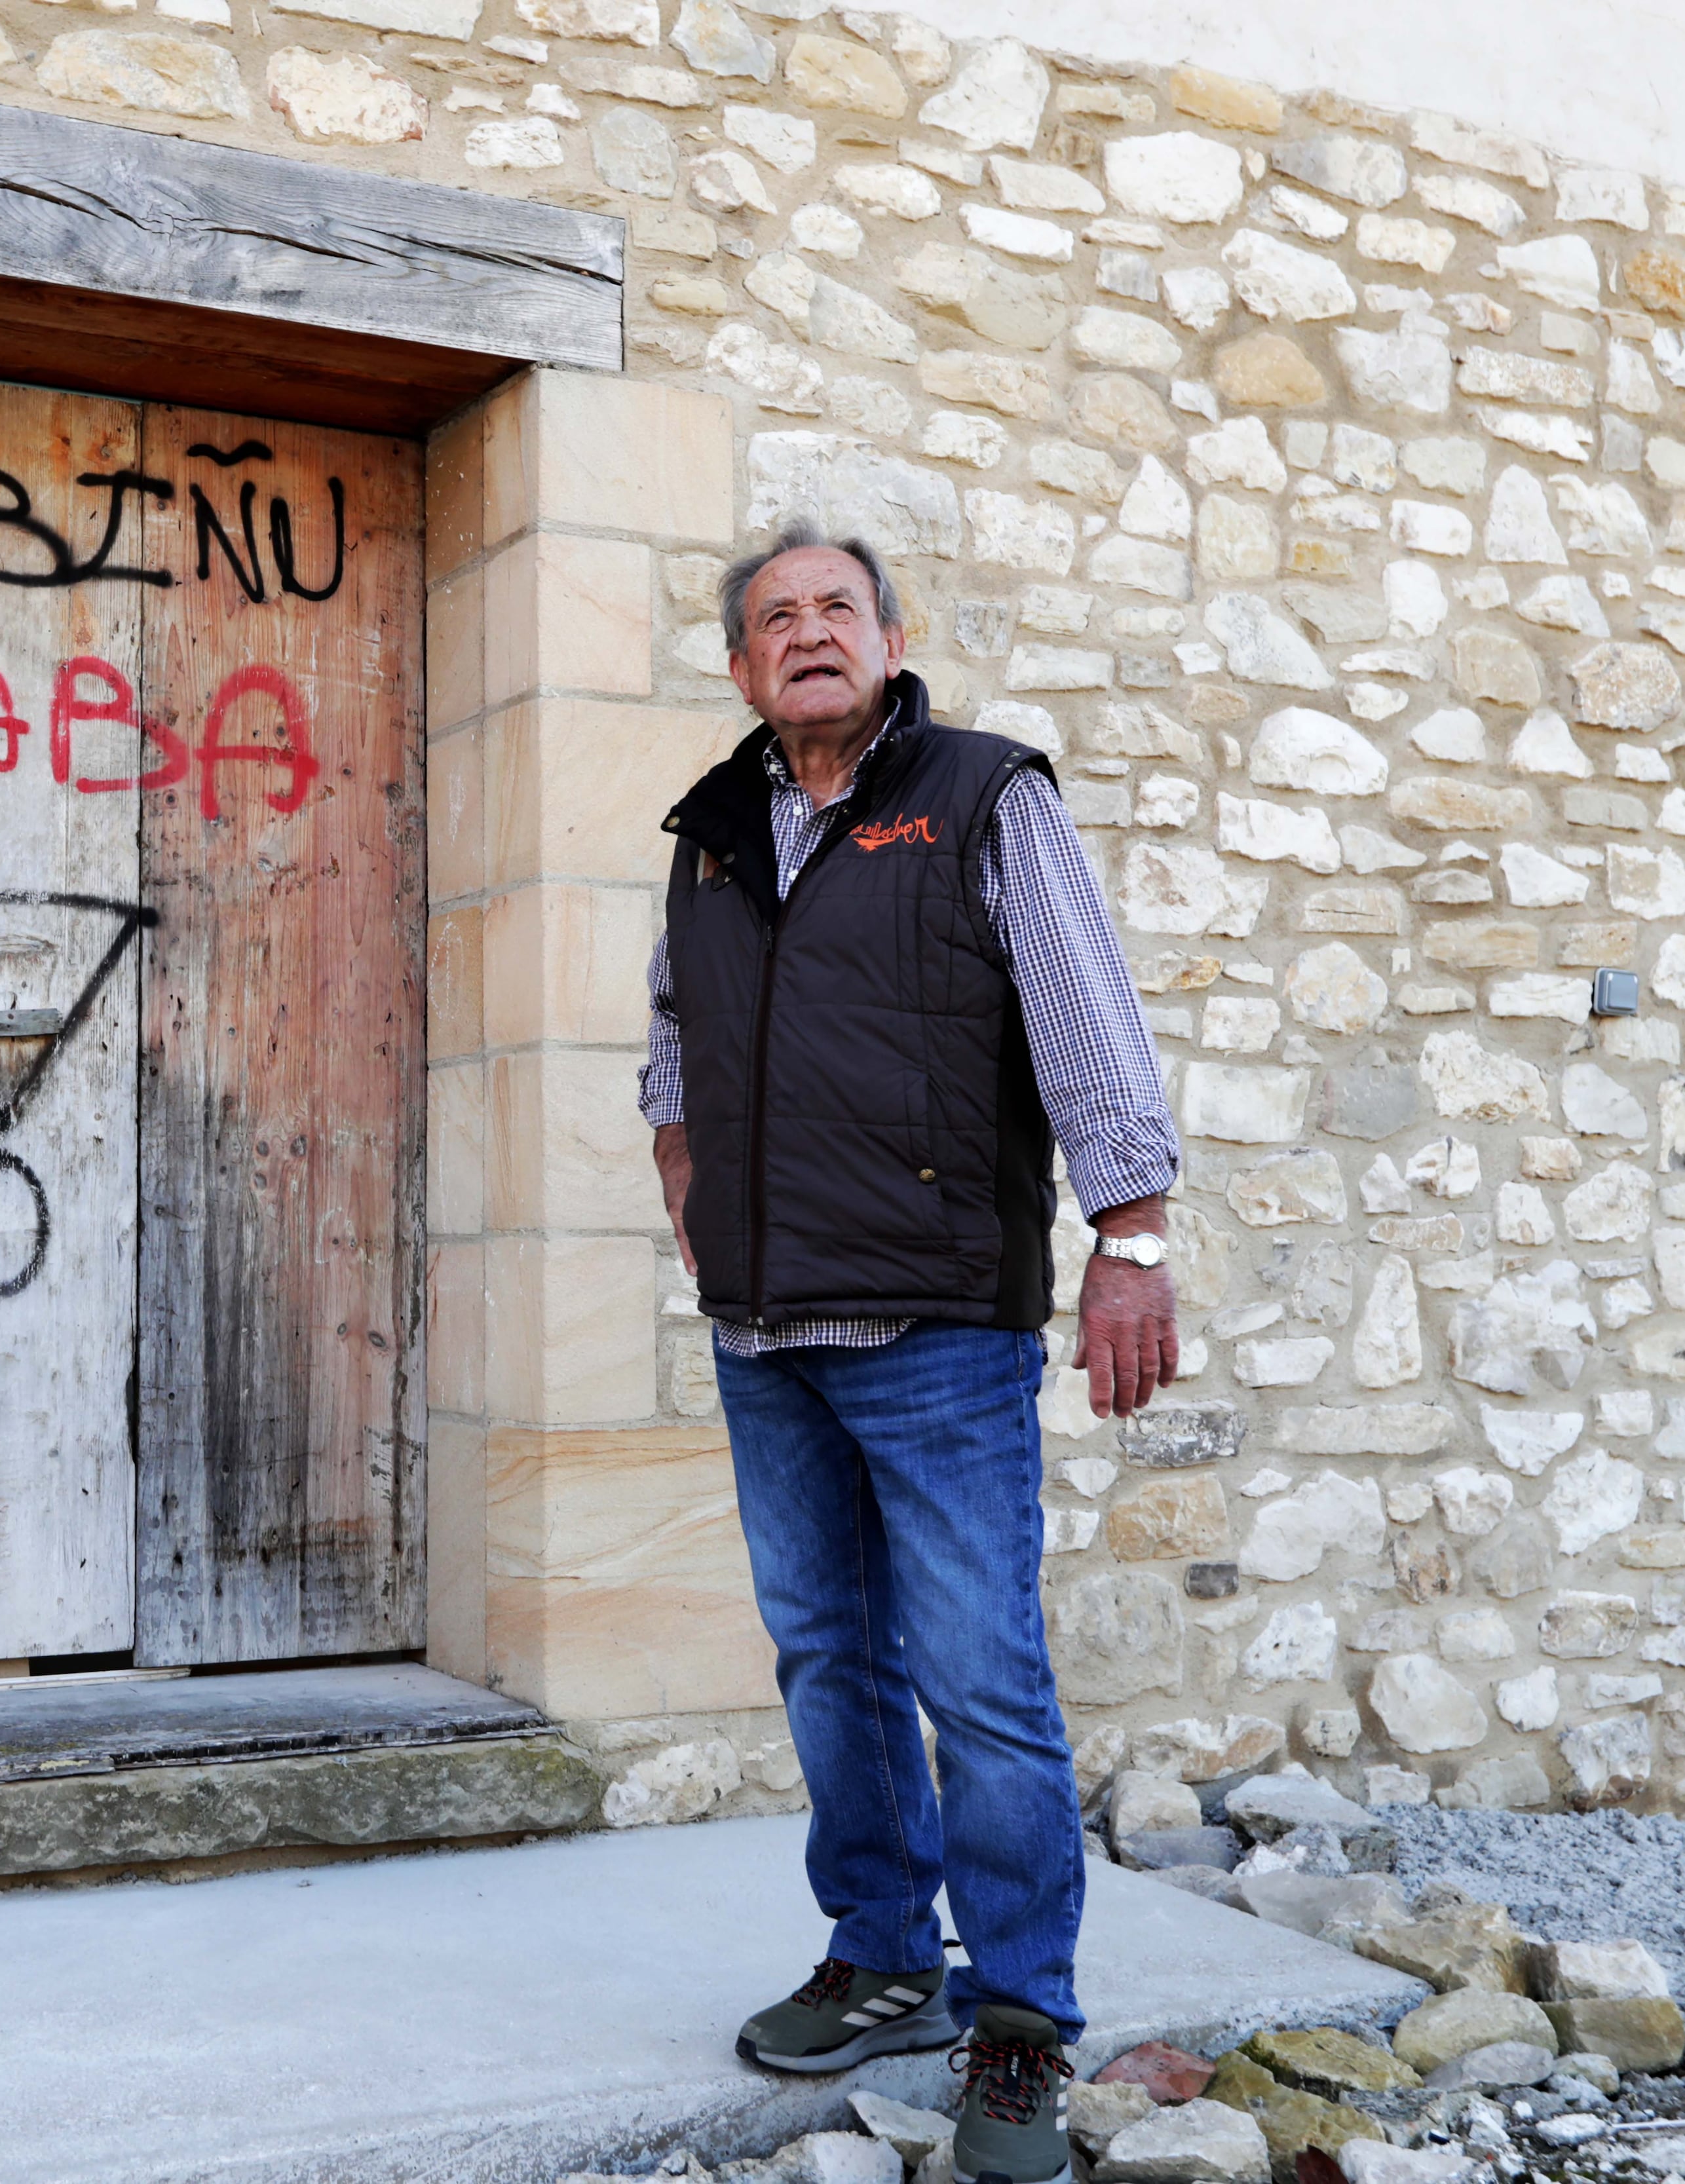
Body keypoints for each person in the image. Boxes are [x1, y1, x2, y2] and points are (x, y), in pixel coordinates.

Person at [640, 522, 1183, 2184]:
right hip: (765, 1329)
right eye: (774, 617)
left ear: (889, 639)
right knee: (827, 1657)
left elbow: (1085, 1014)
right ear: (741, 665)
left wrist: (1131, 1240)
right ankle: (881, 1953)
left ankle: (1017, 2019)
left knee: (977, 1679)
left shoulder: (983, 792)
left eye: (836, 608)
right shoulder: (713, 830)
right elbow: (671, 1037)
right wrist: (687, 1187)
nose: (806, 632)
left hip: (934, 1321)